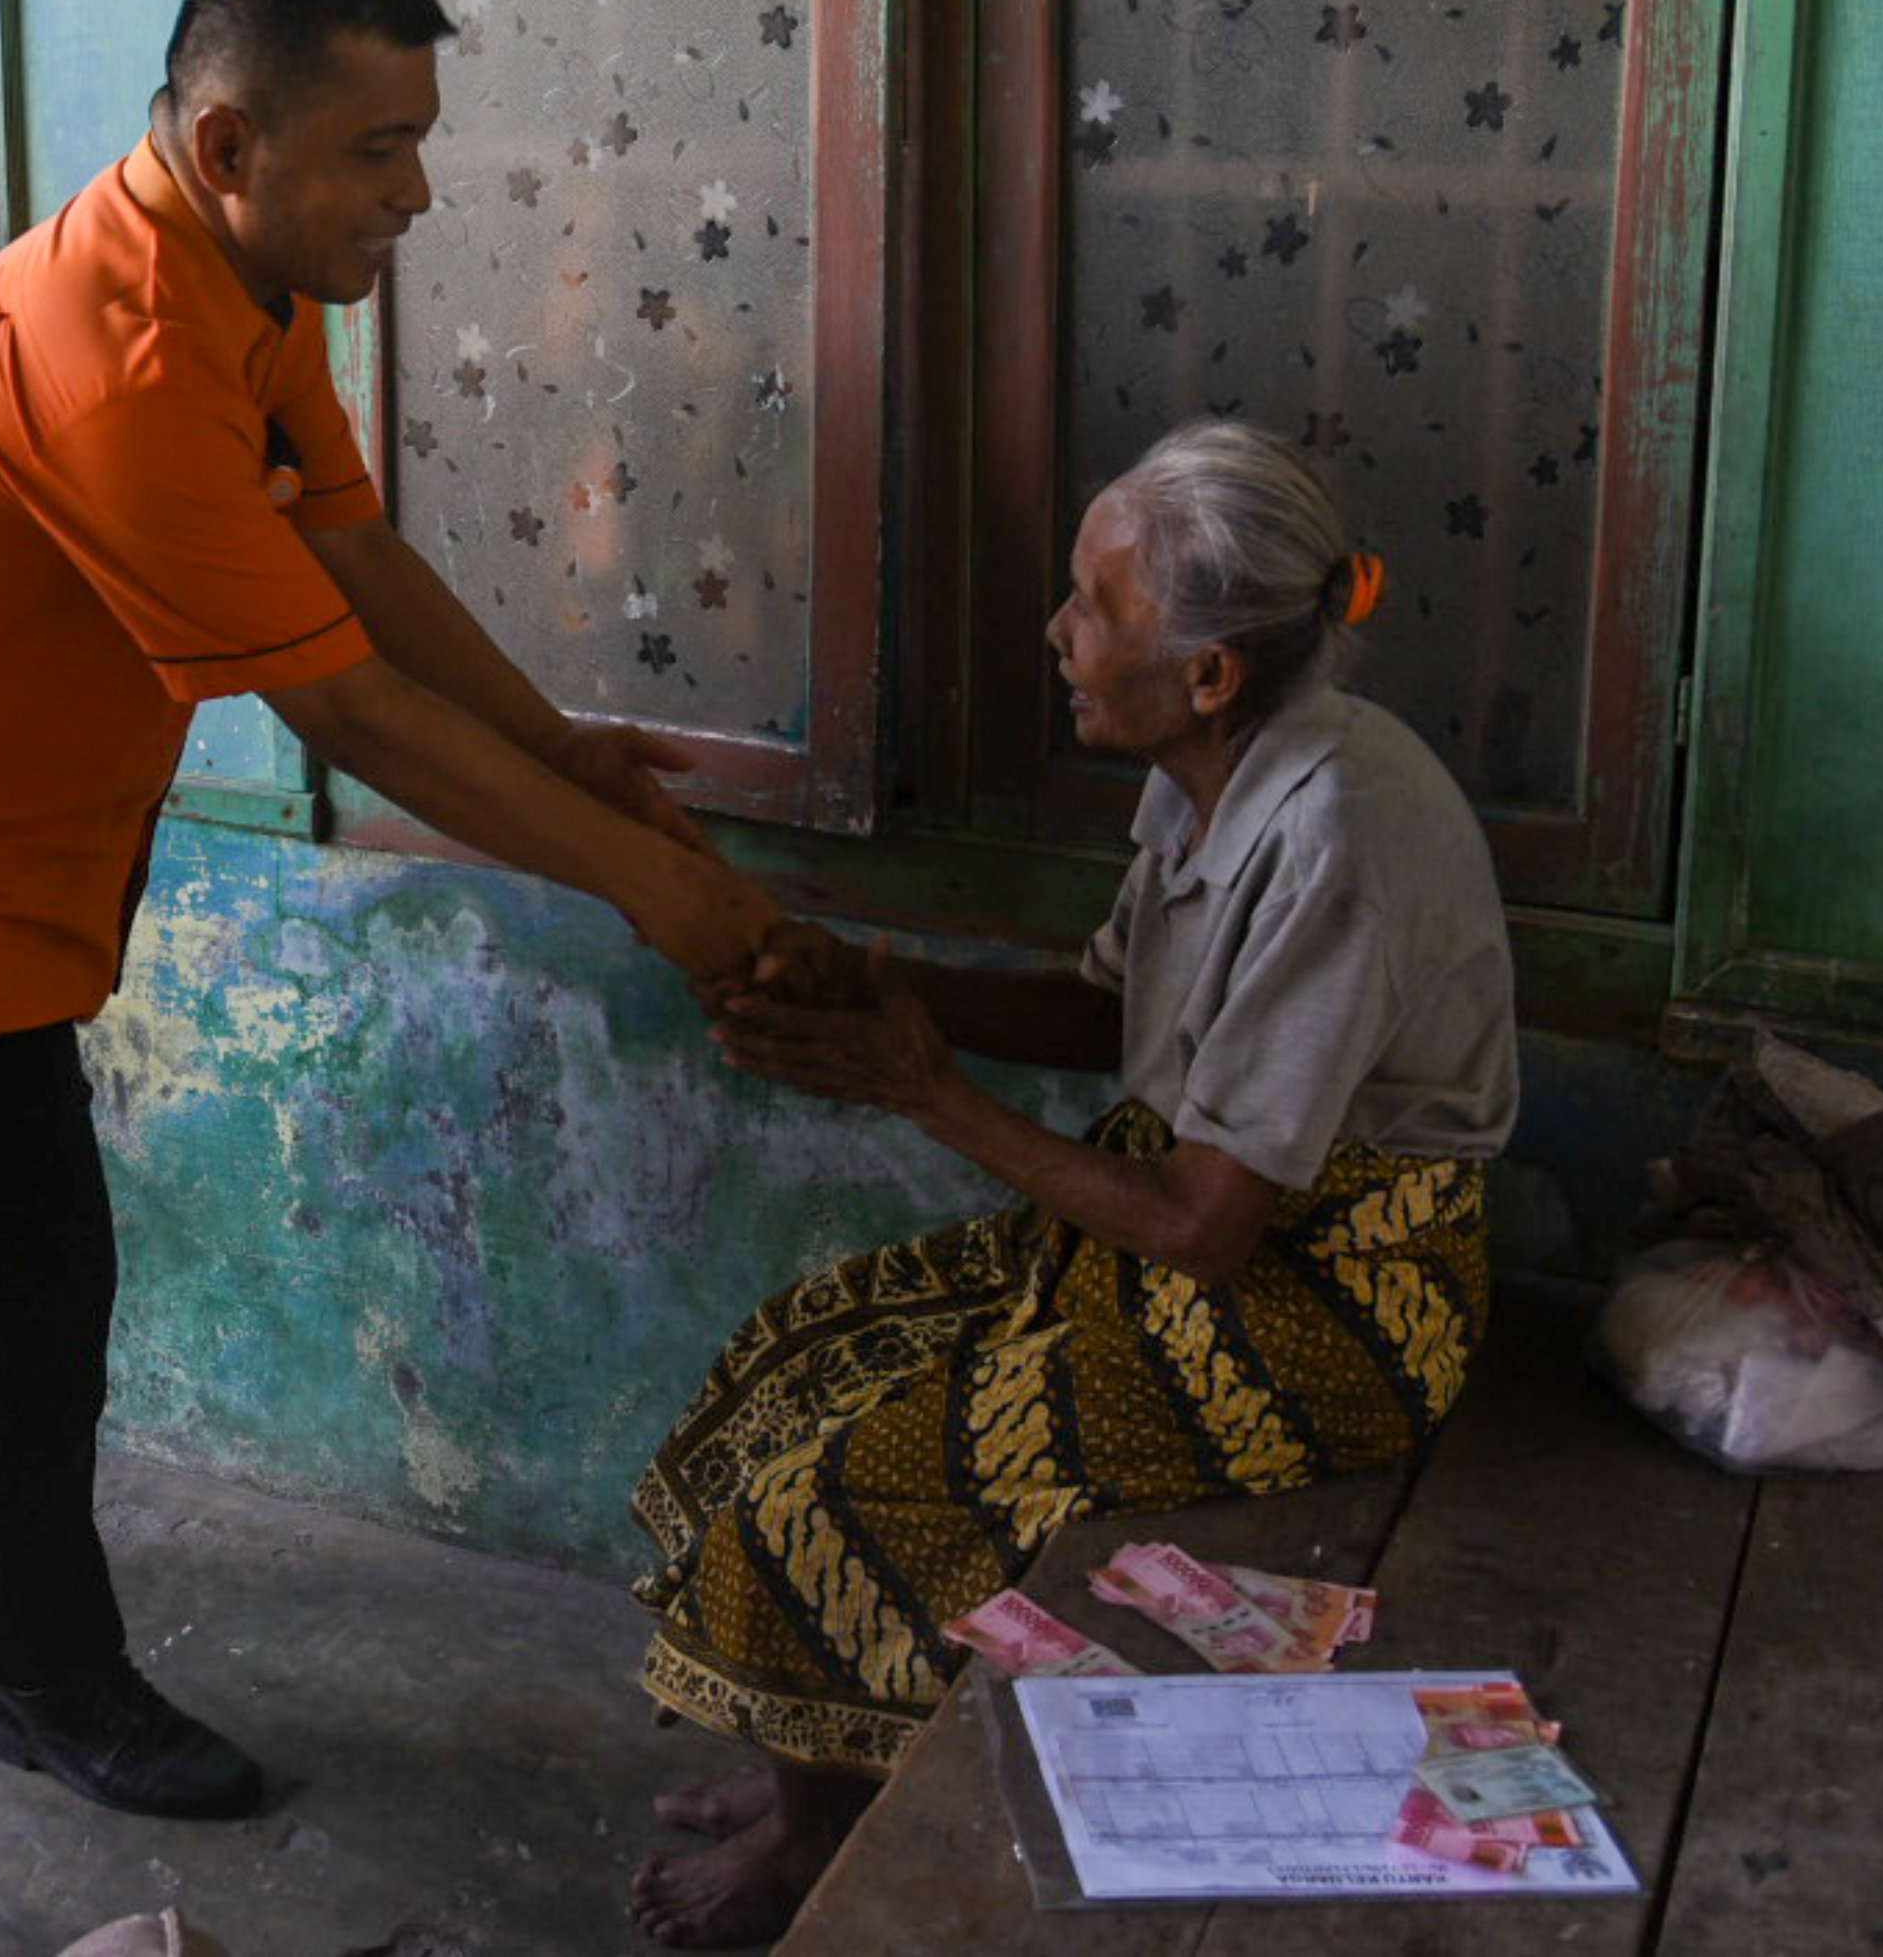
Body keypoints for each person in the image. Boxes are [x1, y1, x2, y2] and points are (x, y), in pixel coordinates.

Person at [0, 0, 785, 1821]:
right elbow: (347, 712)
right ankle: (33, 1669)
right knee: (16, 1282)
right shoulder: (112, 353)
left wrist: (558, 744)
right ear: (227, 147)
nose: (414, 194)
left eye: (419, 139)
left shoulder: (250, 299)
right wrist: (658, 892)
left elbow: (355, 559)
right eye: (378, 151)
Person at [625, 420, 1518, 1946]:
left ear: (1212, 669)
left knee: (839, 1484)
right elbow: (1114, 1005)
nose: (1059, 633)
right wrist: (885, 980)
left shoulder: (1339, 831)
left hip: (1334, 1305)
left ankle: (810, 1838)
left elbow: (1207, 1229)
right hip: (1175, 1223)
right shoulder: (1205, 770)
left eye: (1094, 607)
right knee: (798, 1354)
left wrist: (920, 1084)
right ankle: (813, 1771)